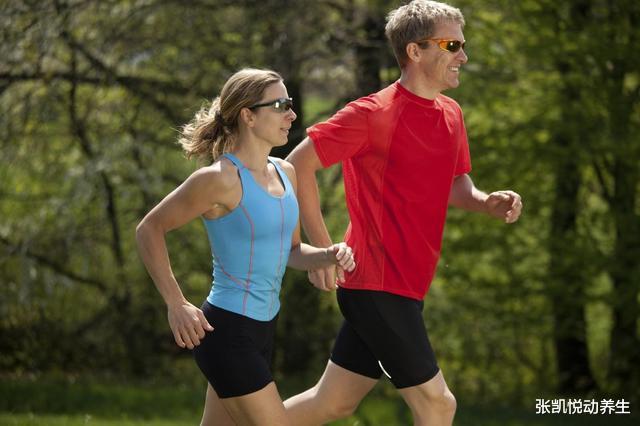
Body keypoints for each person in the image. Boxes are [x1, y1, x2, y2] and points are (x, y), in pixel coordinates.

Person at [282, 1, 523, 425]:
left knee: (331, 403)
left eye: (463, 45)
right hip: (374, 282)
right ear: (415, 51)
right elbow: (298, 164)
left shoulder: (451, 114)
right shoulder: (371, 114)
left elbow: (454, 183)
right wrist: (320, 249)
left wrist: (485, 201)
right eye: (452, 45)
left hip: (408, 285)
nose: (462, 56)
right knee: (437, 403)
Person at [135, 68, 356, 426]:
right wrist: (176, 303)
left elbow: (292, 252)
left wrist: (330, 253)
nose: (292, 114)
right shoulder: (218, 179)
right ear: (248, 116)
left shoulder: (286, 172)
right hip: (226, 331)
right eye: (281, 105)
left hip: (263, 330)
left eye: (291, 104)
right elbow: (149, 229)